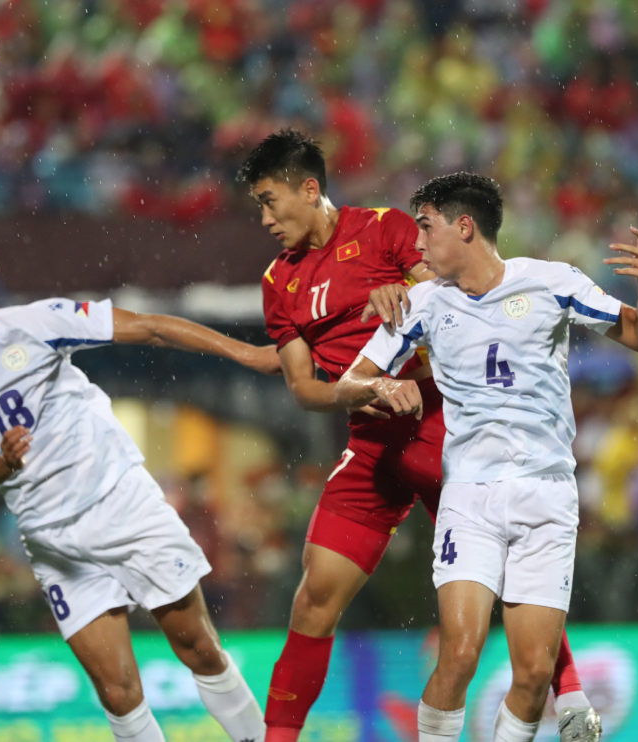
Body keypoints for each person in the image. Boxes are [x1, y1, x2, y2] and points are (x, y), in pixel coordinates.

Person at [239, 132, 594, 741]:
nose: (266, 219)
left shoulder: (386, 230)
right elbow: (304, 388)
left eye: (271, 201)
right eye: (259, 208)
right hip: (371, 442)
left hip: (438, 423)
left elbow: (462, 299)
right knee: (314, 596)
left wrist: (407, 292)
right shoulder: (279, 282)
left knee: (505, 571)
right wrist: (365, 390)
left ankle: (569, 693)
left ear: (309, 188)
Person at [0, 243, 277, 742]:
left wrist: (248, 352)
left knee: (199, 648)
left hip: (123, 501)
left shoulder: (36, 322)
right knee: (118, 694)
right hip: (55, 541)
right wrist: (2, 464)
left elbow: (150, 326)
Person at [335, 172, 638, 742]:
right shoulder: (423, 303)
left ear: (465, 227)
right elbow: (350, 381)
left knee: (535, 672)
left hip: (548, 495)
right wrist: (385, 389)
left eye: (427, 227)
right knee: (460, 654)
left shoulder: (553, 282)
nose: (418, 244)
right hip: (470, 495)